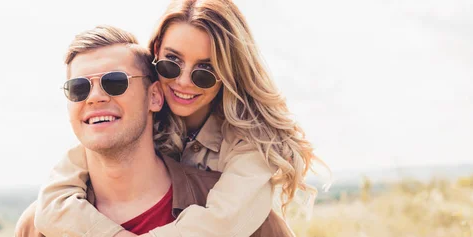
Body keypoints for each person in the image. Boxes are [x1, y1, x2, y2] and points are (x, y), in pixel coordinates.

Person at [29, 0, 327, 236]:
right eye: (171, 63)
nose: (183, 82)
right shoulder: (135, 118)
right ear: (155, 53)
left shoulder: (250, 145)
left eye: (204, 71)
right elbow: (59, 191)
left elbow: (220, 226)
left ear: (228, 73)